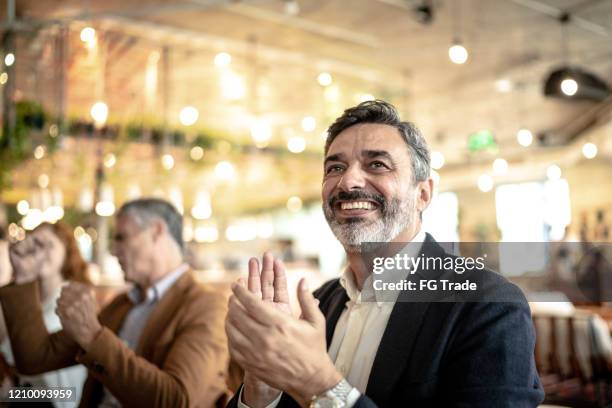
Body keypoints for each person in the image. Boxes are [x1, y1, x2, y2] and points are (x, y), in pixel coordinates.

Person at [225, 100, 544, 407]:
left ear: (423, 193)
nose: (348, 181)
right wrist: (263, 389)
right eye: (335, 167)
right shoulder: (322, 303)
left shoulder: (488, 305)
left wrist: (319, 385)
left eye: (377, 164)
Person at [0, 198, 229, 407]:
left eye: (121, 237)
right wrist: (23, 278)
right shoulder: (122, 305)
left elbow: (175, 401)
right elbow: (34, 359)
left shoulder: (205, 304)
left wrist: (93, 337)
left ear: (157, 232)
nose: (113, 249)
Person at [0, 222, 88, 404]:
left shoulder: (72, 304)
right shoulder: (25, 301)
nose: (37, 252)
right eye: (33, 244)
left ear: (66, 253)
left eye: (47, 245)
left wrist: (13, 394)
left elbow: (69, 395)